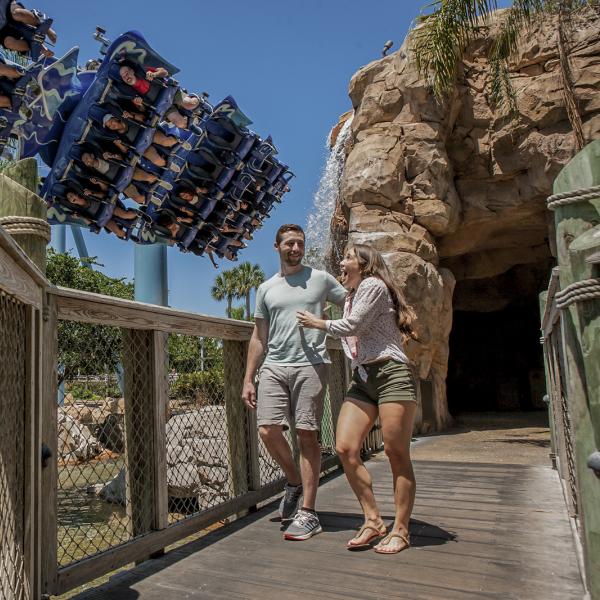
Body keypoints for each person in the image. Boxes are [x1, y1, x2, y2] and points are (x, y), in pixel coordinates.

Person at [296, 244, 418, 555]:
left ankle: (401, 530)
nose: (342, 261)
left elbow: (353, 327)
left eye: (349, 256)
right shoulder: (352, 295)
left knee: (395, 452)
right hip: (363, 379)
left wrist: (318, 322)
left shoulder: (374, 285)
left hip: (391, 373)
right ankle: (373, 520)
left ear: (365, 265)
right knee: (345, 447)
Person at [242, 223, 346, 541]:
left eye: (300, 243)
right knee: (267, 429)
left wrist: (326, 324)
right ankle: (293, 481)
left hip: (311, 365)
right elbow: (259, 337)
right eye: (289, 243)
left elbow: (354, 307)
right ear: (277, 247)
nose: (296, 248)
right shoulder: (266, 288)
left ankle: (309, 512)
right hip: (274, 366)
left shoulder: (321, 279)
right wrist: (248, 378)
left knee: (307, 435)